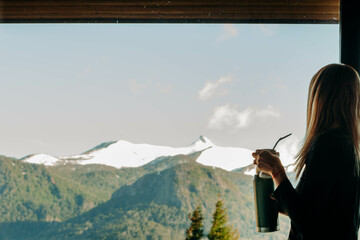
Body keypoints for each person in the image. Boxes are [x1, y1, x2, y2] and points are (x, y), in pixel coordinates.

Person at [253, 64, 360, 240]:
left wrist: (276, 170)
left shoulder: (328, 143)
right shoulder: (349, 147)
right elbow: (321, 212)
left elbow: (306, 218)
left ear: (319, 98)